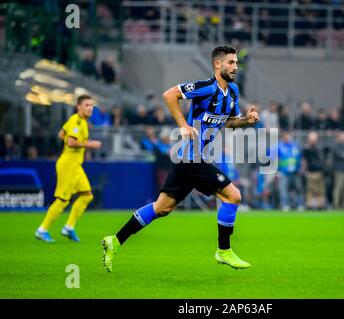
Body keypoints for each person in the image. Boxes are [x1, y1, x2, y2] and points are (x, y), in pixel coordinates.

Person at [101, 46, 260, 272]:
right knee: (233, 196)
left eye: (236, 63)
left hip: (191, 159)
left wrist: (246, 121)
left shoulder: (232, 92)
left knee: (162, 208)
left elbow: (227, 122)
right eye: (231, 63)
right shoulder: (206, 87)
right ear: (218, 64)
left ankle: (114, 241)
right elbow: (169, 94)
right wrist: (183, 125)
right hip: (191, 158)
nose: (235, 67)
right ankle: (223, 251)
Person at [35, 95, 102, 242]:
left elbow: (62, 134)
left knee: (87, 195)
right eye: (86, 105)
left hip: (74, 165)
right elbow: (71, 142)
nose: (90, 108)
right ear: (78, 107)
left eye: (91, 105)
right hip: (68, 164)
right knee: (63, 199)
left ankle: (69, 227)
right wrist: (90, 144)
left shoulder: (79, 121)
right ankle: (42, 229)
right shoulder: (77, 121)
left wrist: (75, 140)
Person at [277, 131, 303, 211]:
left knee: (298, 188)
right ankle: (285, 205)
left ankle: (300, 204)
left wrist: (300, 168)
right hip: (284, 172)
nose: (287, 138)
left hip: (295, 171)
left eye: (288, 136)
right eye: (285, 136)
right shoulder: (279, 146)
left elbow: (300, 158)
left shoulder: (295, 146)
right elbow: (273, 158)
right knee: (283, 189)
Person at [303, 131, 326, 210]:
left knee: (320, 189)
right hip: (311, 172)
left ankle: (320, 205)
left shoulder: (320, 148)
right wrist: (305, 170)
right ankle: (310, 205)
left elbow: (323, 159)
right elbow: (304, 161)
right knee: (310, 189)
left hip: (319, 171)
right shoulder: (306, 148)